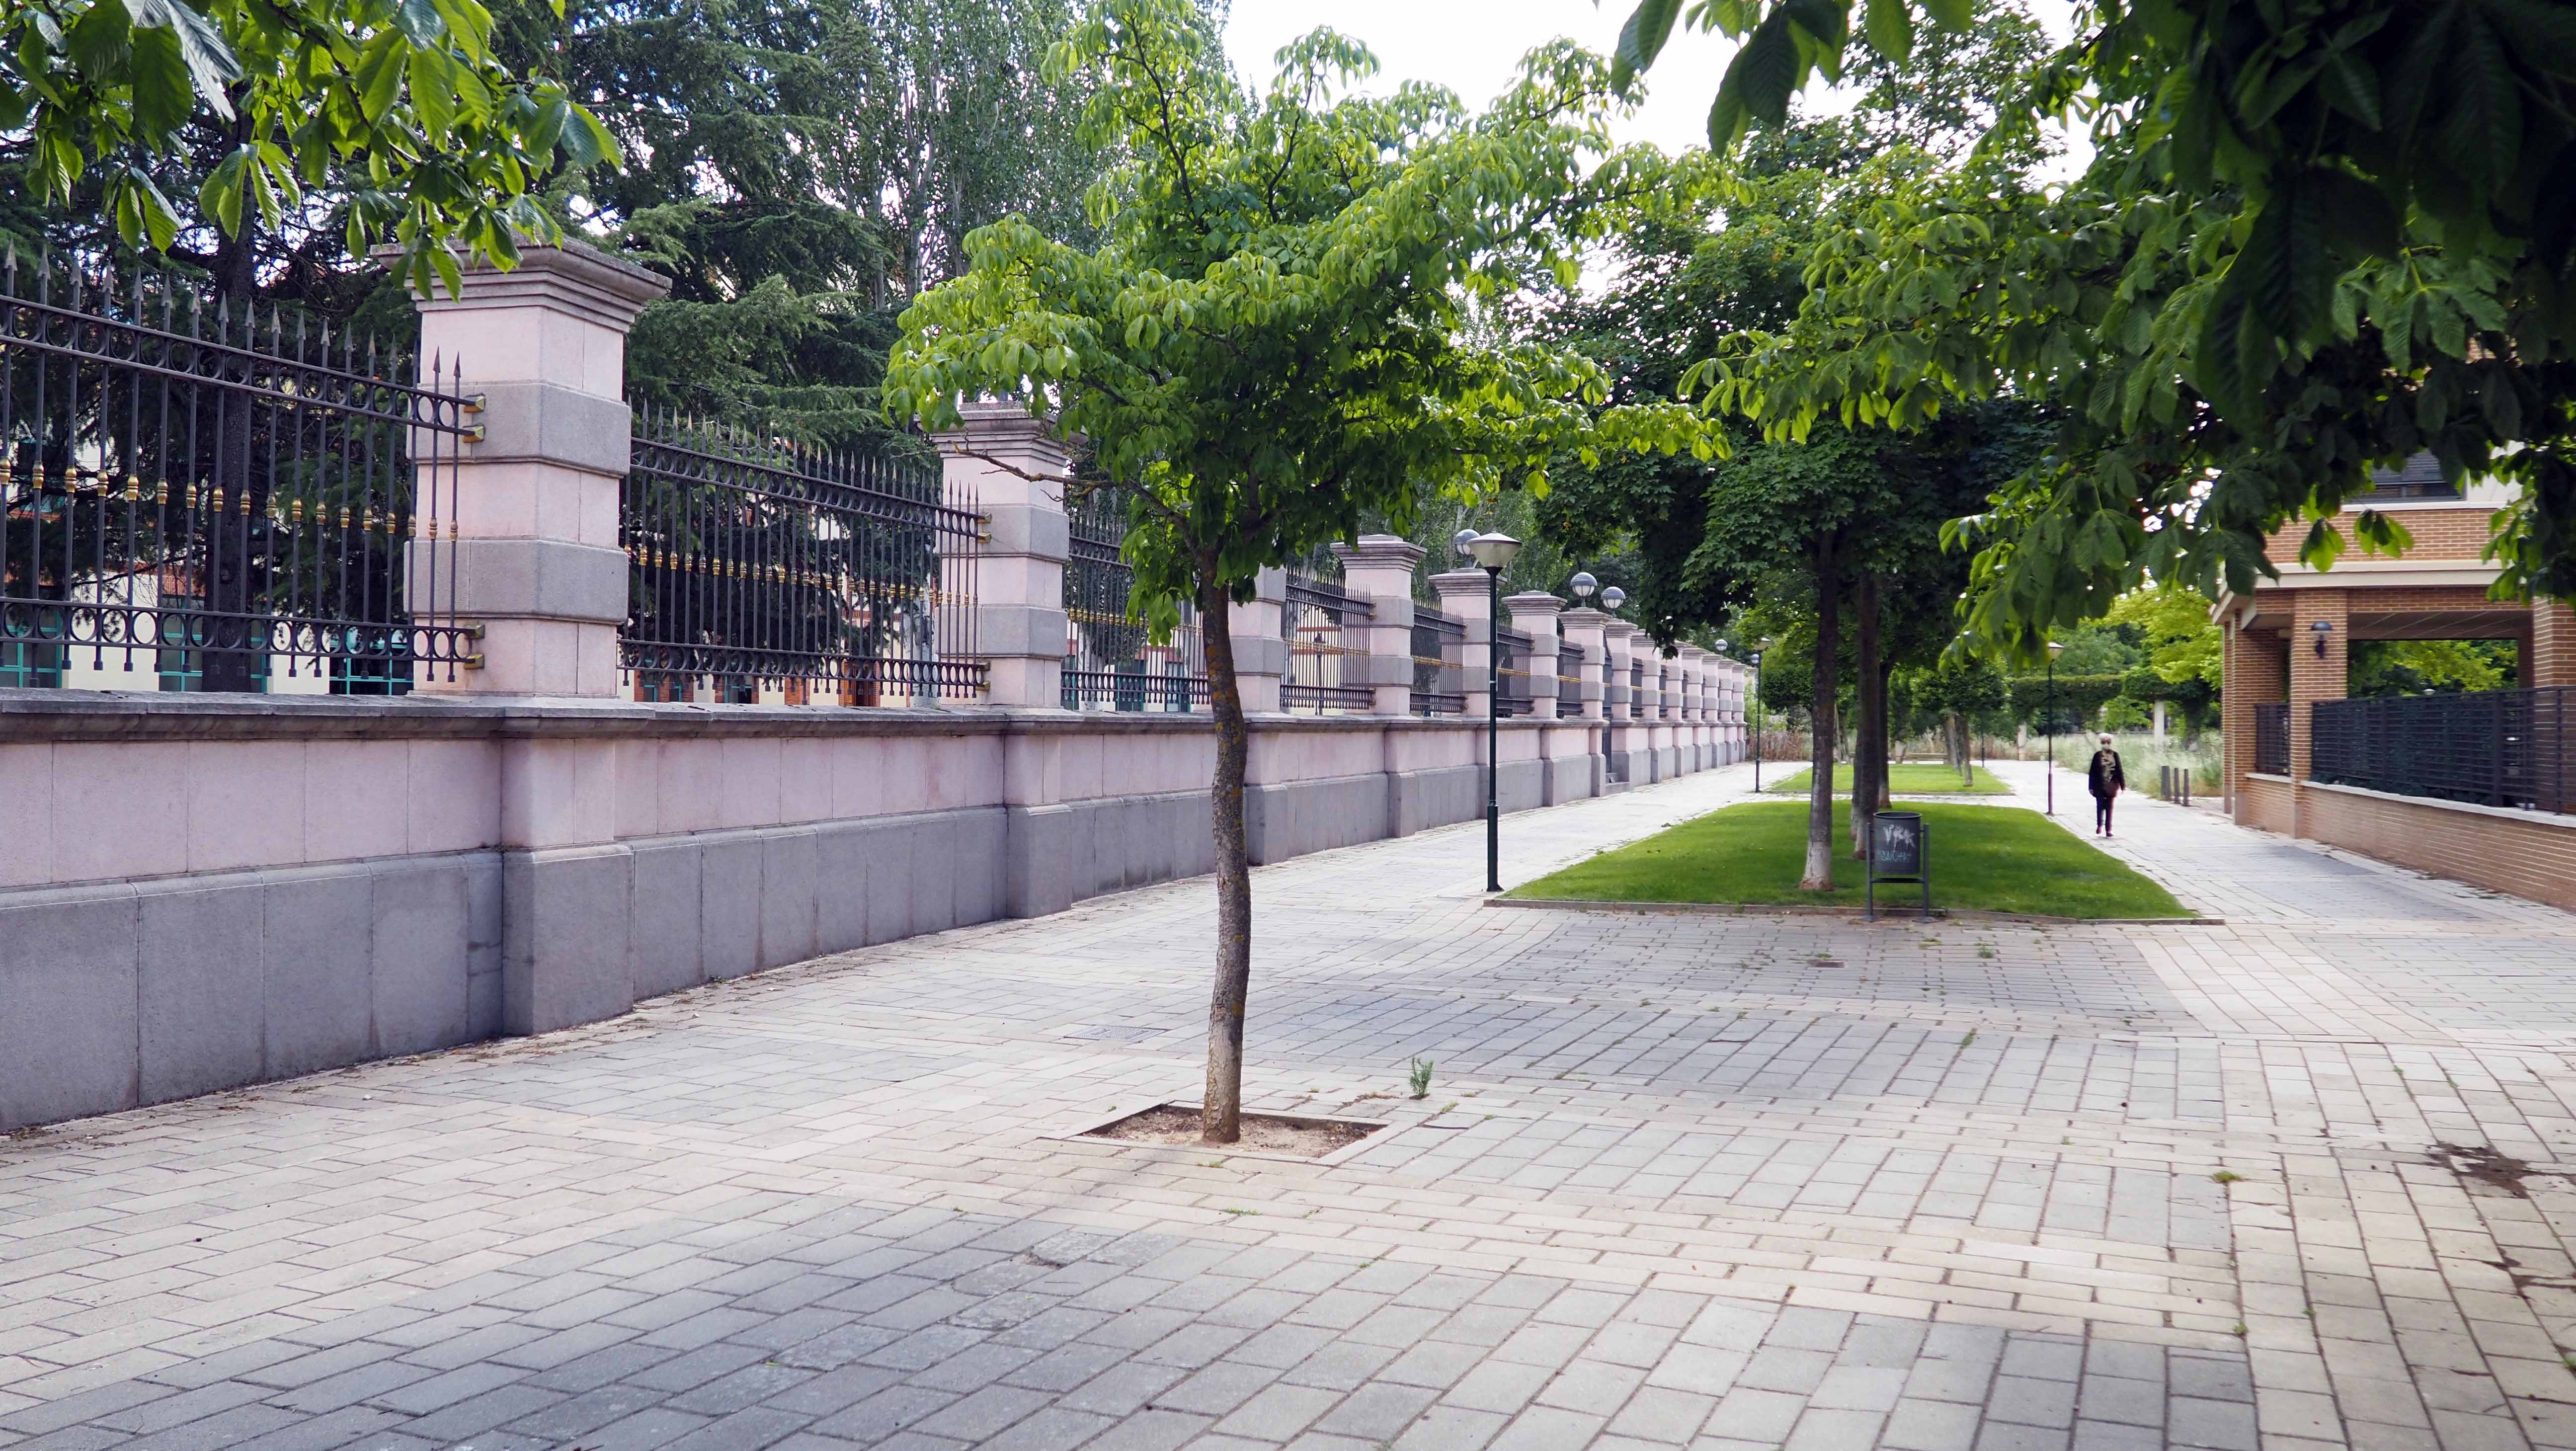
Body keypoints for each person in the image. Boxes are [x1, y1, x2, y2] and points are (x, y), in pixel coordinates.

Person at [2087, 732, 2125, 837]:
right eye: (2104, 742)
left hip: (2111, 785)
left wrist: (2123, 785)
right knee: (2100, 806)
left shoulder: (2115, 755)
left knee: (2109, 807)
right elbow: (2092, 772)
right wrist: (2091, 787)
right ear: (2101, 743)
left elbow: (2119, 770)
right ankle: (2100, 825)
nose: (2106, 744)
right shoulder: (2097, 756)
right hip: (2099, 785)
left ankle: (2108, 829)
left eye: (2108, 742)